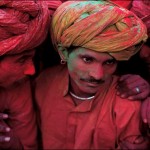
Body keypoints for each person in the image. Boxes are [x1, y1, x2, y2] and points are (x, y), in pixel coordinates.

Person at [34, 0, 149, 149]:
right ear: (64, 53)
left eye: (109, 62)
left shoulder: (127, 104)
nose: (98, 75)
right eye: (88, 59)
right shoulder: (43, 84)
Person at [0, 1, 50, 149]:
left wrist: (9, 141)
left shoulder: (17, 86)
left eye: (31, 58)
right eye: (22, 60)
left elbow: (28, 145)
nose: (31, 71)